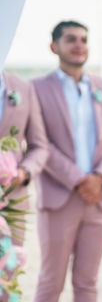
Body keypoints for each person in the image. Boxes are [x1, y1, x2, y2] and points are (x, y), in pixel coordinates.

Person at [31, 20, 102, 302]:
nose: (79, 45)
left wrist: (99, 177)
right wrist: (78, 178)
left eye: (83, 39)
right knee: (51, 284)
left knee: (89, 284)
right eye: (70, 40)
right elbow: (39, 143)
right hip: (59, 198)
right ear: (54, 47)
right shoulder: (36, 89)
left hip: (98, 199)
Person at [0, 70, 49, 245]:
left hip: (11, 203)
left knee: (9, 269)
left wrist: (23, 172)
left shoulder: (23, 88)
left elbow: (39, 146)